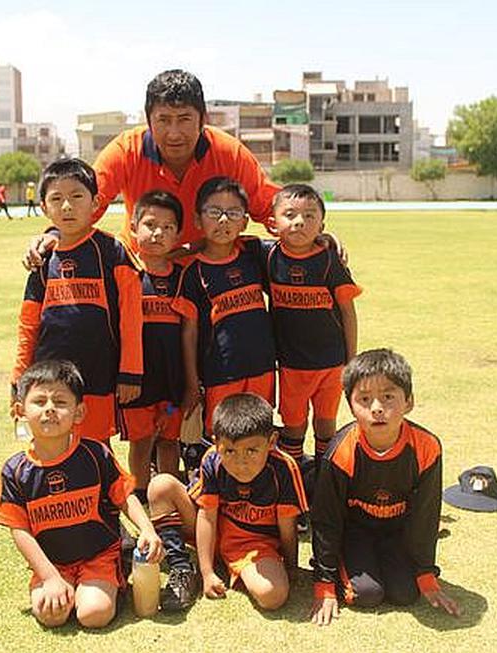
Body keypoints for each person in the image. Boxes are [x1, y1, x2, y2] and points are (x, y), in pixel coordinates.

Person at [23, 69, 281, 267]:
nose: (174, 133)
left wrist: (308, 233)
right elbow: (88, 202)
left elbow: (268, 206)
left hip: (205, 272)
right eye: (164, 120)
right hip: (143, 272)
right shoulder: (126, 150)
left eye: (184, 120)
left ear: (203, 119)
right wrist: (55, 234)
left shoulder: (229, 153)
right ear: (148, 120)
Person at [0, 359, 164, 628]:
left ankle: (110, 579)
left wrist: (147, 529)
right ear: (20, 410)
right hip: (53, 563)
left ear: (79, 412)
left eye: (60, 402)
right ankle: (65, 584)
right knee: (51, 616)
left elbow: (124, 496)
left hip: (99, 555)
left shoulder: (95, 454)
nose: (50, 409)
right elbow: (19, 530)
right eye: (39, 402)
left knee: (93, 614)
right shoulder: (14, 470)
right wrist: (49, 577)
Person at [309, 349, 461, 626]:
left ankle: (394, 566)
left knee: (406, 594)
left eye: (388, 397)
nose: (377, 408)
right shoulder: (340, 451)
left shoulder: (427, 447)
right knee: (367, 595)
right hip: (354, 532)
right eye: (364, 399)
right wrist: (324, 583)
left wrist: (426, 574)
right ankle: (350, 563)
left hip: (396, 532)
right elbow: (325, 519)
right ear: (350, 405)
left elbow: (426, 515)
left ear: (409, 401)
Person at [12, 158, 143, 441]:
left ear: (95, 203)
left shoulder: (112, 252)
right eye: (57, 199)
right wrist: (18, 377)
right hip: (48, 378)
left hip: (98, 373)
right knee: (51, 447)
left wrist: (130, 371)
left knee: (96, 448)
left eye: (77, 196)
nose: (67, 206)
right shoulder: (42, 258)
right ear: (44, 207)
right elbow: (28, 323)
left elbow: (132, 317)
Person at [146, 393, 307, 612]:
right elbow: (206, 516)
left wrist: (290, 567)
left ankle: (236, 567)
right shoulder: (212, 459)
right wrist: (207, 573)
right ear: (216, 443)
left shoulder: (284, 468)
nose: (241, 462)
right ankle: (182, 568)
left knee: (273, 596)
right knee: (160, 486)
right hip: (213, 532)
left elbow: (288, 528)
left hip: (253, 546)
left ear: (271, 442)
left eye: (252, 450)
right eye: (230, 451)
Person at [266, 184, 361, 476]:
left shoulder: (329, 260)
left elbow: (347, 310)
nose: (299, 222)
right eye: (290, 214)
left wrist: (351, 360)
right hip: (292, 364)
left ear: (322, 224)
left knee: (325, 422)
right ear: (273, 223)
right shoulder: (267, 257)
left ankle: (324, 476)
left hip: (331, 363)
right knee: (293, 425)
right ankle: (293, 478)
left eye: (309, 216)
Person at [171, 177, 276, 439]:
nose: (223, 221)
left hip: (262, 365)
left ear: (245, 221)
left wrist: (324, 237)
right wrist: (192, 383)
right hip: (221, 372)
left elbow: (294, 245)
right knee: (222, 436)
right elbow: (189, 333)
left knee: (259, 433)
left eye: (233, 213)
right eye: (214, 212)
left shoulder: (254, 254)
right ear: (197, 220)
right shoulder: (193, 273)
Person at [119, 190, 186, 501]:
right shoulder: (125, 273)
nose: (158, 232)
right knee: (142, 440)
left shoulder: (184, 277)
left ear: (178, 235)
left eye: (168, 227)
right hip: (138, 383)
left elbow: (191, 333)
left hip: (172, 383)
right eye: (149, 224)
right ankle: (142, 494)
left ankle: (169, 496)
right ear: (133, 227)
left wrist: (190, 383)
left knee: (170, 440)